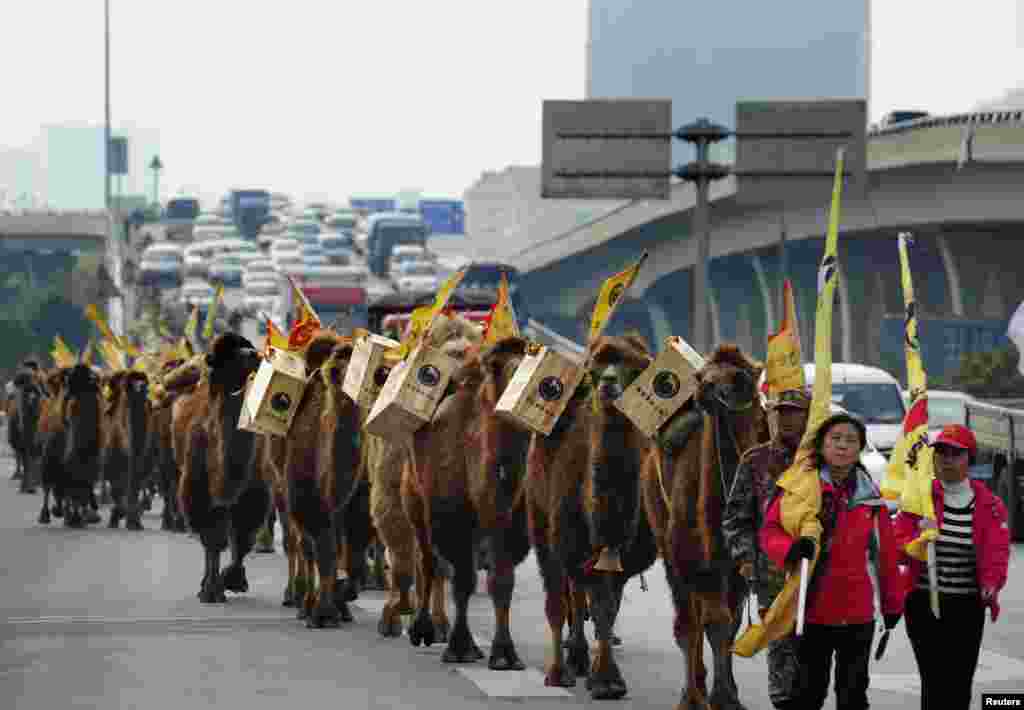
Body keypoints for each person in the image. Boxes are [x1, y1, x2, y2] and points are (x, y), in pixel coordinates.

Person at [760, 412, 905, 710]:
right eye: (835, 439)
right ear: (822, 445)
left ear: (860, 448)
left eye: (851, 440)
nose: (842, 446)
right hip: (811, 611)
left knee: (853, 696)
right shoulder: (799, 490)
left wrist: (892, 606)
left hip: (858, 614)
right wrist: (790, 549)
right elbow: (770, 530)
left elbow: (886, 558)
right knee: (808, 694)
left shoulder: (870, 498)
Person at [893, 424, 1010, 710]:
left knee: (959, 684)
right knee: (934, 683)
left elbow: (997, 553)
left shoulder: (989, 505)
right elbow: (897, 546)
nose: (946, 459)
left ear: (969, 458)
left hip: (966, 607)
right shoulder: (919, 500)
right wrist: (918, 538)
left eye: (955, 453)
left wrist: (991, 584)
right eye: (941, 452)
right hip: (924, 605)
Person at [723, 387, 811, 709]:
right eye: (781, 412)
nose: (786, 419)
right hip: (772, 574)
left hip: (817, 573)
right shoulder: (756, 460)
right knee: (782, 657)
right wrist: (746, 560)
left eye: (794, 412)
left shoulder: (821, 459)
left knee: (814, 659)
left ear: (808, 416)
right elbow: (735, 518)